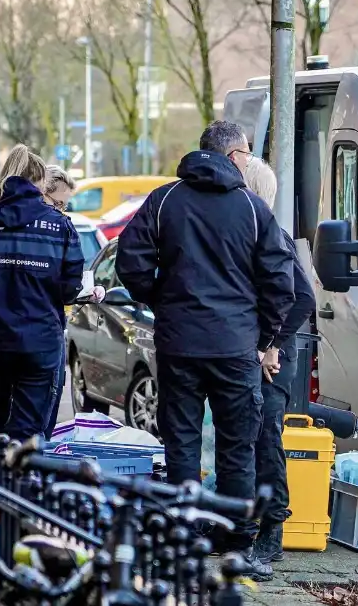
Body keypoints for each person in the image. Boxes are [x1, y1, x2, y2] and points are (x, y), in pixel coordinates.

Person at [115, 120, 296, 557]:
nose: (249, 161)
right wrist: (264, 335)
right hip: (236, 347)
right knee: (238, 445)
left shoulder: (164, 200)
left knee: (181, 441)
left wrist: (162, 300)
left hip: (179, 344)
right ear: (233, 156)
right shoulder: (251, 208)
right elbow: (280, 282)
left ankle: (185, 529)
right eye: (247, 153)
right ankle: (236, 536)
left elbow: (130, 262)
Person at [0, 145, 88, 442]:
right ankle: (18, 468)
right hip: (39, 343)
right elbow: (69, 289)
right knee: (29, 434)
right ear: (40, 182)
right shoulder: (59, 226)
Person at [240, 157, 317, 581]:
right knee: (253, 440)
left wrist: (271, 345)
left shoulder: (273, 236)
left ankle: (273, 529)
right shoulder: (255, 232)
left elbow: (303, 298)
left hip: (272, 360)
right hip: (258, 354)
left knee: (266, 440)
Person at [41, 163, 104, 438]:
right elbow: (66, 286)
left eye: (65, 206)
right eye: (58, 204)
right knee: (42, 414)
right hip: (44, 334)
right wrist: (77, 291)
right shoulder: (58, 230)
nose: (61, 212)